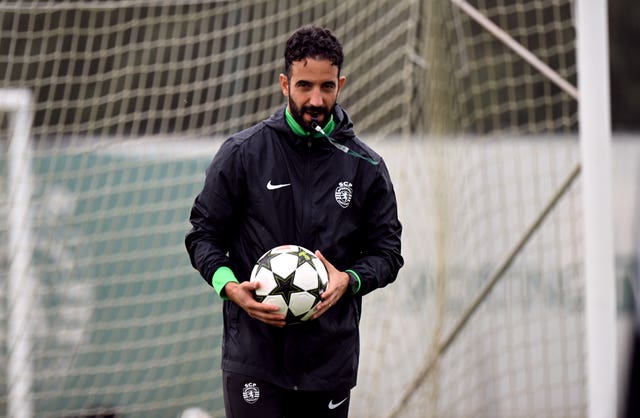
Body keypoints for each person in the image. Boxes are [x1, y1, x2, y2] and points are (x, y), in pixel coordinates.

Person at [185, 25, 403, 418]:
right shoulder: (243, 154)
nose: (315, 99)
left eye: (326, 87)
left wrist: (348, 280)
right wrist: (229, 287)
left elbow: (388, 254)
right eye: (304, 86)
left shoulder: (366, 167)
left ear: (341, 83)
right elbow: (203, 236)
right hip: (255, 358)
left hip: (328, 361)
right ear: (285, 83)